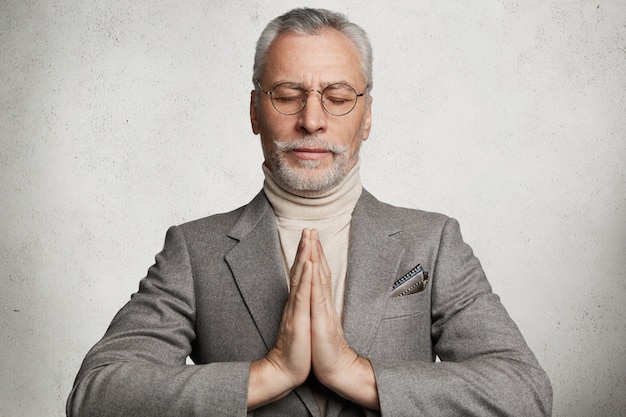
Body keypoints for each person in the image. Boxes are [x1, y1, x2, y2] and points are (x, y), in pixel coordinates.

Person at [67, 7, 552, 417]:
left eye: (338, 98)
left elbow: (524, 391)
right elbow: (97, 392)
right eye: (286, 95)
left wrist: (356, 375)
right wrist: (269, 374)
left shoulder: (433, 242)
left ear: (367, 118)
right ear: (255, 110)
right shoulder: (193, 251)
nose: (312, 120)